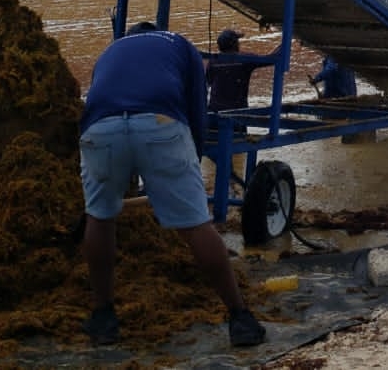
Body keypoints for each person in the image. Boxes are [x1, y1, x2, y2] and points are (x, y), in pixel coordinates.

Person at [78, 20, 265, 348]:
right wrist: (194, 153)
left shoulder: (110, 50)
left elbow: (96, 99)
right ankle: (240, 319)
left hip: (99, 130)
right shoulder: (179, 44)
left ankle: (103, 317)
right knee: (195, 224)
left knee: (100, 216)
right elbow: (197, 107)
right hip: (161, 123)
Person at [205, 29, 282, 128]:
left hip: (215, 112)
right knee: (237, 136)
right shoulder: (245, 59)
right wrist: (285, 42)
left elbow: (207, 82)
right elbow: (272, 58)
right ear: (234, 44)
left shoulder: (213, 61)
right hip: (238, 112)